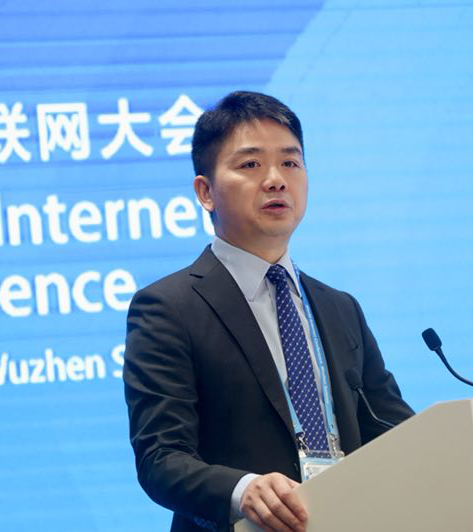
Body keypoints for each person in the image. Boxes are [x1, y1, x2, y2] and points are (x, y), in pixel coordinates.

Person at [123, 91, 414, 532]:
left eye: (290, 163)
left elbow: (395, 432)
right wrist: (243, 490)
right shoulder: (168, 308)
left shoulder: (340, 308)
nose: (276, 180)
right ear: (205, 192)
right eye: (251, 164)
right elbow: (161, 458)